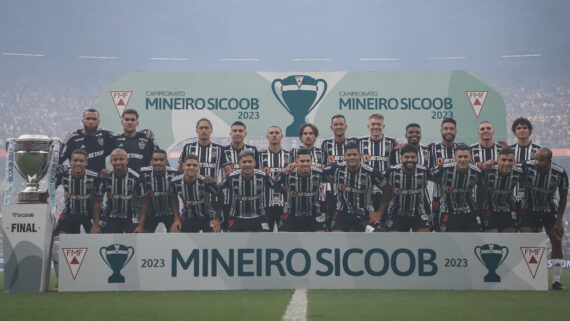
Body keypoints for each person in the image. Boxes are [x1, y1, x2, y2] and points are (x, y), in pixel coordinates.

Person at [52, 149, 104, 279]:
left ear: (86, 162)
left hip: (89, 216)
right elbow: (50, 190)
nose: (78, 164)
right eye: (75, 160)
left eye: (81, 161)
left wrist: (96, 224)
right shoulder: (63, 175)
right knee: (58, 242)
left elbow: (97, 202)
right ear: (70, 162)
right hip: (69, 214)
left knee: (97, 242)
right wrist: (52, 174)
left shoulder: (94, 178)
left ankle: (96, 277)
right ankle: (62, 280)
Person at [520, 148, 568, 290]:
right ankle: (528, 277)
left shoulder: (560, 173)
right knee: (528, 240)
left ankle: (556, 281)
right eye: (536, 158)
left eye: (540, 160)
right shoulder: (526, 166)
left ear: (549, 161)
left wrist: (559, 221)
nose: (536, 162)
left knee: (557, 240)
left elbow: (563, 197)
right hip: (530, 209)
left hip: (549, 209)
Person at [328, 142, 392, 232]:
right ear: (344, 156)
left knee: (375, 237)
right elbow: (318, 171)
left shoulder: (371, 172)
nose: (352, 157)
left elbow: (388, 190)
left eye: (355, 154)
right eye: (349, 155)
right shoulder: (336, 168)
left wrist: (379, 213)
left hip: (365, 214)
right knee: (337, 238)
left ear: (360, 155)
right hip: (343, 213)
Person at [433, 144, 483, 232]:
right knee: (449, 242)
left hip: (469, 212)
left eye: (465, 156)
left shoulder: (477, 172)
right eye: (460, 156)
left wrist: (478, 210)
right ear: (455, 157)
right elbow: (430, 176)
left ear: (470, 157)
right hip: (448, 212)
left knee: (472, 241)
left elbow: (482, 189)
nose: (462, 160)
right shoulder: (442, 169)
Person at [96, 148, 149, 233]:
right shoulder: (106, 177)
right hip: (112, 217)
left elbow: (145, 202)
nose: (118, 162)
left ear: (127, 160)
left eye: (121, 159)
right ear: (110, 161)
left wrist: (141, 226)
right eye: (115, 159)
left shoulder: (137, 178)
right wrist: (96, 225)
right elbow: (97, 201)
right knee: (106, 240)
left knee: (135, 242)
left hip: (132, 218)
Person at [274, 149, 327, 232]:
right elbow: (274, 182)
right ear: (296, 162)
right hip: (291, 214)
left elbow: (333, 177)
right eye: (302, 161)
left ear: (311, 162)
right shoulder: (288, 173)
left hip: (313, 213)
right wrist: (284, 191)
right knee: (283, 238)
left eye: (307, 161)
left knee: (322, 238)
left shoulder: (319, 173)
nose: (305, 164)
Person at [220, 121, 259, 230]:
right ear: (230, 133)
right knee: (228, 232)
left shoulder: (253, 150)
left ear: (245, 134)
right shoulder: (223, 151)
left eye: (240, 131)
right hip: (228, 200)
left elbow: (258, 172)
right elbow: (227, 173)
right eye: (235, 131)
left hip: (250, 200)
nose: (238, 133)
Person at [384, 144, 432, 232]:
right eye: (406, 157)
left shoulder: (425, 171)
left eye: (413, 157)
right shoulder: (391, 172)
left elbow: (440, 180)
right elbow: (377, 182)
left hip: (419, 213)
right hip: (397, 213)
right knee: (394, 241)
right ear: (401, 158)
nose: (410, 160)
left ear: (417, 158)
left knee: (424, 237)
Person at [222, 150, 272, 232]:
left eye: (250, 162)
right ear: (239, 164)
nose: (247, 165)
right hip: (237, 217)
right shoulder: (231, 177)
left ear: (254, 163)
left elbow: (277, 187)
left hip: (259, 216)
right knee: (235, 243)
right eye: (244, 162)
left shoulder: (263, 176)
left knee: (264, 242)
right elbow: (217, 189)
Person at [170, 154, 223, 233]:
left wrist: (216, 219)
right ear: (183, 166)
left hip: (207, 217)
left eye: (194, 165)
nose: (191, 168)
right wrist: (177, 219)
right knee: (175, 230)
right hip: (188, 216)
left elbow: (221, 195)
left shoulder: (205, 181)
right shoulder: (175, 182)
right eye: (188, 165)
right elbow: (173, 197)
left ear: (198, 167)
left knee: (215, 229)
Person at [321, 115, 356, 229]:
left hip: (352, 192)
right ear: (331, 127)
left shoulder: (354, 142)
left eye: (341, 124)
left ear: (346, 126)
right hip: (333, 192)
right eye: (336, 124)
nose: (339, 127)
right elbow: (324, 168)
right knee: (331, 224)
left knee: (352, 225)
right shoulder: (326, 144)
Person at [509, 117, 542, 230]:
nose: (522, 130)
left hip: (533, 198)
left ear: (530, 131)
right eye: (519, 128)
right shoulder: (509, 150)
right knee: (512, 231)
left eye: (524, 128)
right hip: (512, 197)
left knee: (532, 232)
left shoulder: (539, 150)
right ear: (514, 132)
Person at [480, 147, 522, 232]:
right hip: (489, 208)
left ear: (514, 162)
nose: (506, 163)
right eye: (503, 160)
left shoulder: (520, 172)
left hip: (508, 208)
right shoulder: (487, 171)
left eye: (510, 160)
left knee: (509, 236)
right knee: (493, 235)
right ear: (497, 160)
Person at [429, 118, 460, 231]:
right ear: (441, 130)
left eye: (451, 129)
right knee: (438, 228)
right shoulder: (432, 148)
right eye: (446, 128)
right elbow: (428, 172)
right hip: (438, 196)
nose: (449, 131)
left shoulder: (461, 148)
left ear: (455, 131)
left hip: (458, 198)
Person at [139, 150, 181, 233]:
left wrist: (177, 220)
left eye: (161, 160)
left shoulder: (175, 174)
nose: (158, 162)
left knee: (176, 232)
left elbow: (174, 197)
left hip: (170, 213)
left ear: (166, 161)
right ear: (151, 161)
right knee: (143, 235)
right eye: (156, 160)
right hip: (151, 213)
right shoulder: (142, 173)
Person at [258, 126, 290, 231]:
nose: (274, 135)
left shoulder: (289, 155)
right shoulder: (259, 156)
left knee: (285, 236)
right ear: (267, 137)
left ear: (282, 136)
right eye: (271, 133)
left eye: (277, 133)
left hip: (285, 204)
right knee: (265, 238)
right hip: (265, 204)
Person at [109, 109, 159, 173]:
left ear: (137, 123)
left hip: (143, 179)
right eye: (127, 119)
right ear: (122, 122)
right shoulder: (115, 140)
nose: (129, 122)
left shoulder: (147, 140)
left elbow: (159, 159)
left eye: (133, 120)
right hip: (122, 180)